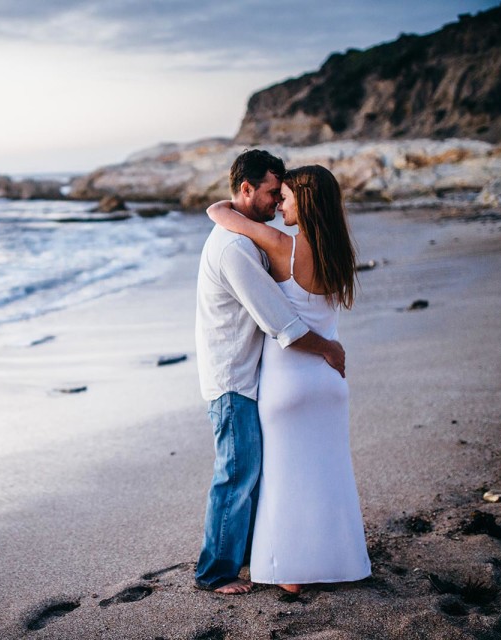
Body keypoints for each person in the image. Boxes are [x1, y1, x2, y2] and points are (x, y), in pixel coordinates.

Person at [205, 164, 371, 594]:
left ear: (305, 201)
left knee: (283, 479)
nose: (280, 204)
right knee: (330, 475)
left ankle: (289, 574)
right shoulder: (340, 253)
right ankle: (340, 562)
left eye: (287, 196)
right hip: (331, 382)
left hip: (288, 381)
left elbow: (224, 214)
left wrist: (225, 203)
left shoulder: (282, 246)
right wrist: (332, 348)